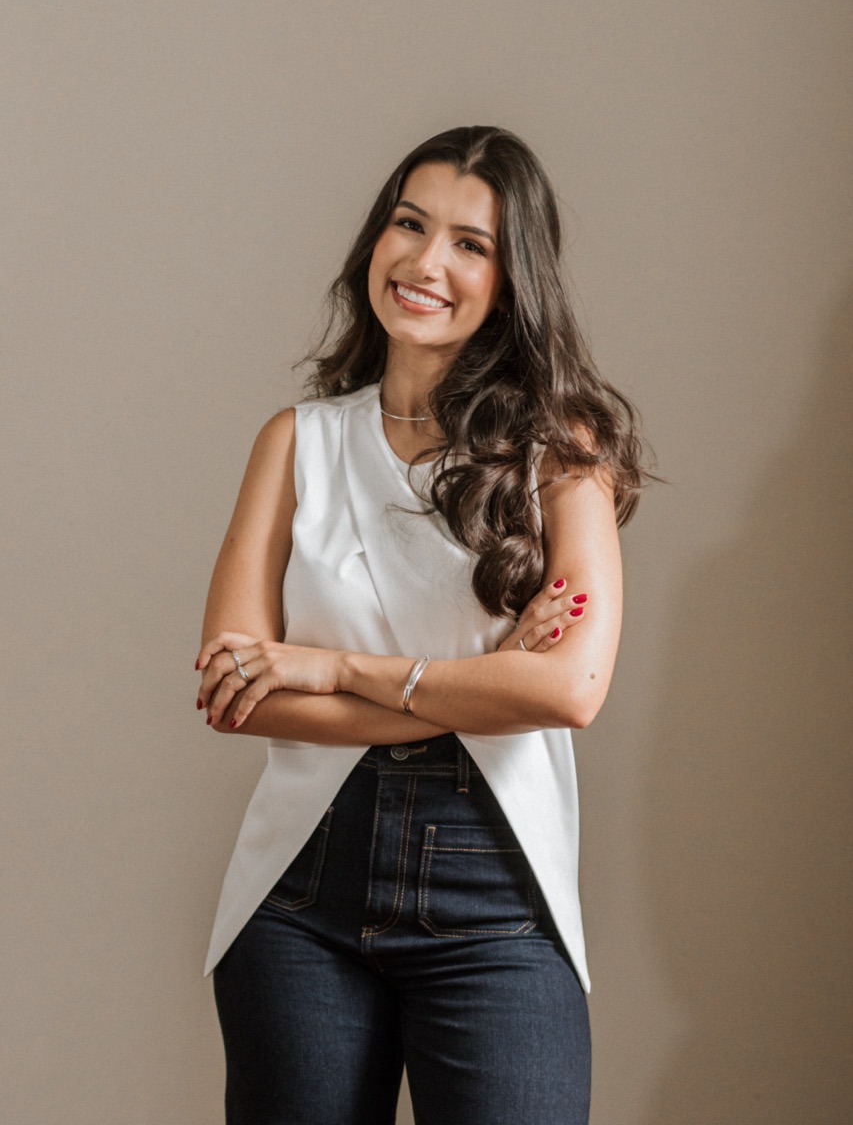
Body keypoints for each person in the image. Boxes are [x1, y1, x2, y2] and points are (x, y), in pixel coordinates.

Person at [196, 125, 647, 1125]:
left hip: (497, 902)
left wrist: (331, 667)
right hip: (299, 895)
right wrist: (484, 683)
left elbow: (568, 689)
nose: (424, 261)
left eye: (469, 244)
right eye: (409, 224)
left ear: (511, 281)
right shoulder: (297, 442)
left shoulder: (559, 452)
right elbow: (237, 694)